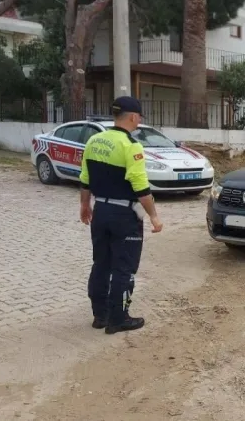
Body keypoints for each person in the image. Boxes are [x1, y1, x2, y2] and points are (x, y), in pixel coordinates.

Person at [79, 96, 163, 334]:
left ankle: (100, 315)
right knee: (123, 268)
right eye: (139, 118)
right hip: (124, 214)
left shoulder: (94, 141)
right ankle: (119, 318)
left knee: (101, 263)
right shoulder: (131, 146)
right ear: (134, 117)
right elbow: (140, 186)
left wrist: (85, 206)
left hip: (101, 211)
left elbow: (85, 179)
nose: (139, 122)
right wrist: (154, 216)